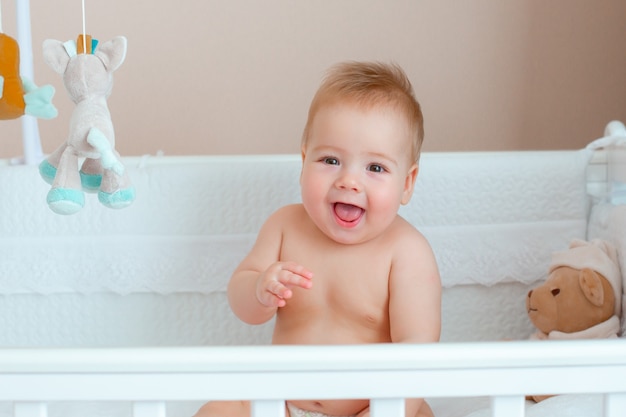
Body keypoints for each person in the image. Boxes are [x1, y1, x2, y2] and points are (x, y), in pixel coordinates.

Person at [194, 61, 441, 417]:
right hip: (279, 405)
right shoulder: (285, 226)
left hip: (367, 409)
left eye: (375, 168)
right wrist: (260, 290)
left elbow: (418, 351)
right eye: (330, 160)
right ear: (304, 159)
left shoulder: (406, 252)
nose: (349, 181)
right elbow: (243, 304)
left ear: (407, 183)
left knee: (419, 414)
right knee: (217, 410)